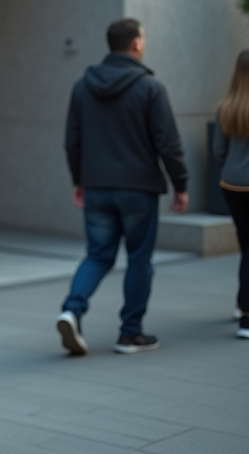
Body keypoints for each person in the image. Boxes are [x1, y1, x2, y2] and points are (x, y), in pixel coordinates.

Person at [57, 18, 188, 355]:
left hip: (97, 186)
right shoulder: (150, 88)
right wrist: (181, 185)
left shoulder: (82, 86)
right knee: (139, 260)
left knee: (98, 255)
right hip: (138, 188)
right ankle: (130, 334)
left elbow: (72, 141)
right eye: (143, 38)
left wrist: (79, 181)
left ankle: (72, 310)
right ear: (136, 45)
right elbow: (168, 143)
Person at [211, 49, 249, 339]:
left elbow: (218, 152)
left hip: (231, 185)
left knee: (246, 245)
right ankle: (247, 317)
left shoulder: (225, 107)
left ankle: (240, 303)